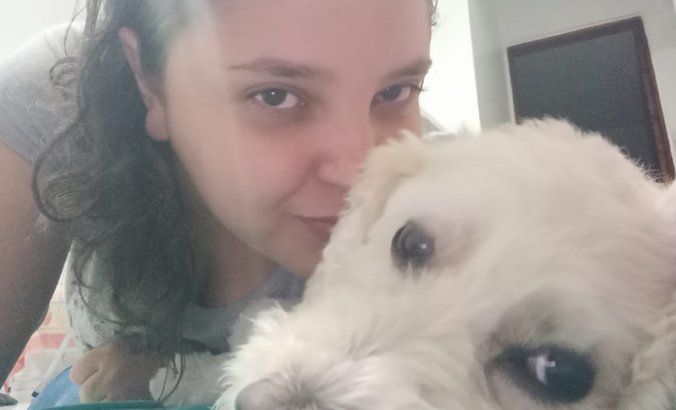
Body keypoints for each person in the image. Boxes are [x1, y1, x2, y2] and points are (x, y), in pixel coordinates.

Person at [0, 0, 436, 405]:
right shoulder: (58, 96)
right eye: (276, 95)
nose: (359, 172)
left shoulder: (443, 209)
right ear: (148, 82)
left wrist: (162, 375)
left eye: (396, 91)